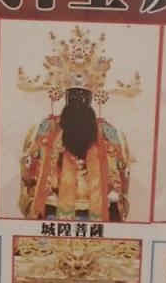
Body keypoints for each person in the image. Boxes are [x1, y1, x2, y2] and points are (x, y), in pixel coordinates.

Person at [18, 25, 135, 221]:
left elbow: (121, 172)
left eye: (83, 97)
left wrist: (114, 191)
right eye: (73, 97)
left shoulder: (108, 133)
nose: (78, 102)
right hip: (54, 205)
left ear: (92, 99)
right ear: (64, 97)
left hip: (95, 207)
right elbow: (30, 170)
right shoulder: (46, 129)